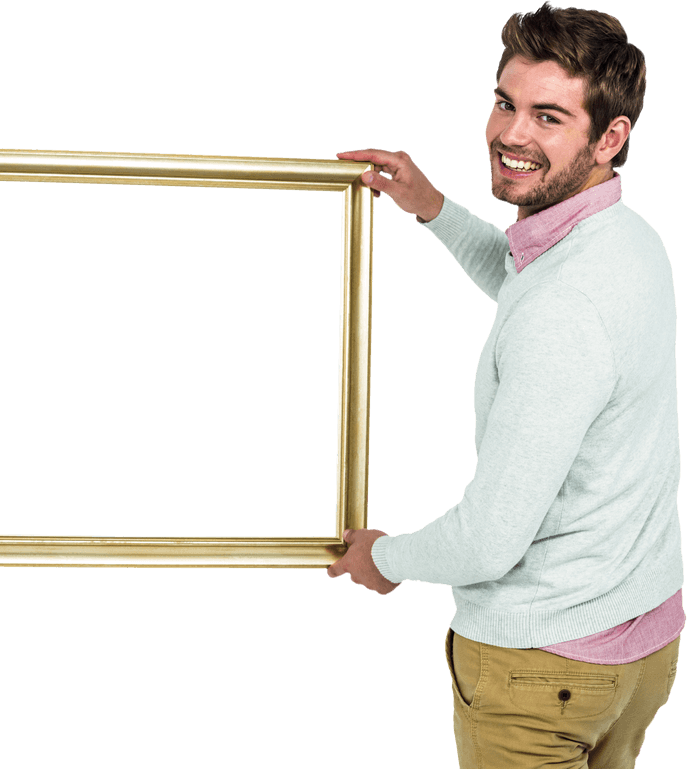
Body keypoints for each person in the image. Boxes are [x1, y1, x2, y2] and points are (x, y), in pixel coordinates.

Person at [326, 3, 683, 767]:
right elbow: (529, 285)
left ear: (610, 136)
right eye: (504, 102)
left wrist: (383, 559)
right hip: (645, 642)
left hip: (541, 670)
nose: (511, 134)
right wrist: (432, 209)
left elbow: (488, 540)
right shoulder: (628, 240)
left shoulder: (563, 310)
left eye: (548, 117)